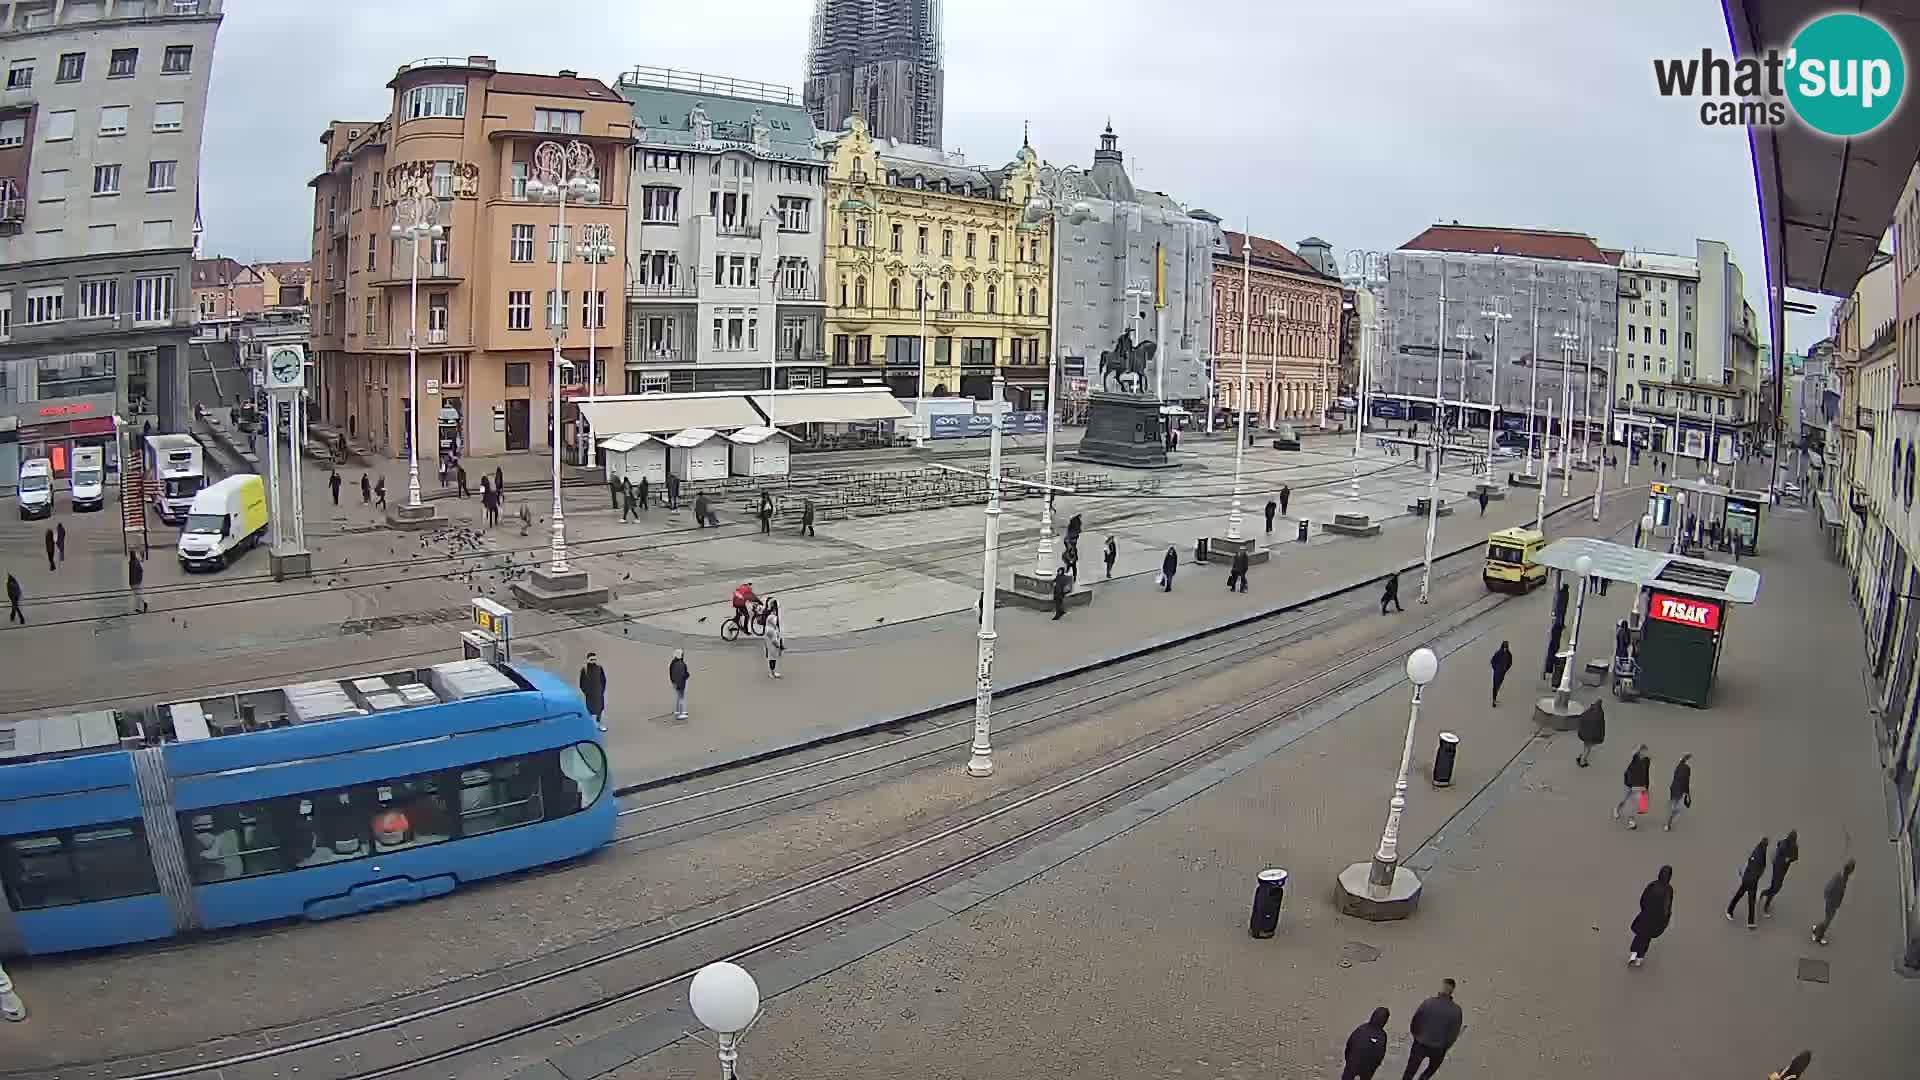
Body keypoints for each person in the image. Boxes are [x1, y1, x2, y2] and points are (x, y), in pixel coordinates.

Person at [1400, 978, 1463, 1080]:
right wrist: (1445, 1046)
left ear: (1441, 988)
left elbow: (1415, 1021)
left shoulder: (1428, 1003)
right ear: (1452, 991)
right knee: (1430, 1070)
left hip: (1420, 1043)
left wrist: (1416, 1036)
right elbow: (1453, 1033)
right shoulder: (1456, 1011)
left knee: (1410, 1070)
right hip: (1438, 1048)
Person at [1627, 864, 1675, 966]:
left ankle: (1633, 955)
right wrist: (1666, 919)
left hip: (1646, 915)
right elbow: (1668, 907)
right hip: (1657, 920)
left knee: (1639, 935)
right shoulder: (1669, 890)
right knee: (1646, 938)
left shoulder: (1652, 885)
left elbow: (1643, 899)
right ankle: (1639, 959)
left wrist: (1644, 910)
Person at [1811, 859, 1856, 944]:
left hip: (1832, 901)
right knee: (1828, 920)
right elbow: (1832, 889)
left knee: (1827, 919)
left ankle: (1816, 929)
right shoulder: (1841, 879)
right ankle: (1818, 937)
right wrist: (1834, 903)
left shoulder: (1841, 876)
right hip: (1832, 902)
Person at [1727, 838, 1769, 928]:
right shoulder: (1759, 855)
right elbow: (1756, 869)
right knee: (1750, 900)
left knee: (1740, 896)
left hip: (1747, 879)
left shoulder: (1758, 850)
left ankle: (1730, 911)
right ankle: (1750, 922)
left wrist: (1743, 872)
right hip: (1751, 881)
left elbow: (1750, 863)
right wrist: (1757, 877)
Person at [1341, 1006, 1391, 1080]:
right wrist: (1374, 1067)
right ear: (1385, 1021)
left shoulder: (1361, 1029)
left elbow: (1349, 1046)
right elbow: (1380, 1056)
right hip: (1368, 1069)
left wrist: (1348, 1061)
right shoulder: (1382, 1036)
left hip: (1352, 1063)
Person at [1760, 830, 1801, 916]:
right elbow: (1792, 858)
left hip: (1779, 869)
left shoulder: (1787, 844)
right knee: (1775, 889)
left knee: (1774, 887)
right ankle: (1766, 905)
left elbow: (1794, 857)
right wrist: (1788, 859)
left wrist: (1789, 859)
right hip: (1779, 870)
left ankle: (1764, 894)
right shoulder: (1787, 847)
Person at [1614, 744, 1651, 825]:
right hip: (1629, 783)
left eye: (1645, 752)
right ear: (1639, 752)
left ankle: (1631, 820)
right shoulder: (1635, 758)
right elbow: (1633, 752)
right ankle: (1616, 809)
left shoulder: (1647, 761)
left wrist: (1647, 787)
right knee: (1623, 799)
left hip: (1638, 785)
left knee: (1634, 803)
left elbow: (1646, 774)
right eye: (1643, 752)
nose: (1644, 753)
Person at [578, 652, 608, 732]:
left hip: (598, 693)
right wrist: (586, 692)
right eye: (591, 659)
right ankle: (590, 725)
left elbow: (603, 680)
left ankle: (599, 724)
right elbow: (581, 683)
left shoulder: (599, 668)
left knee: (600, 709)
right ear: (588, 660)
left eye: (595, 659)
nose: (593, 661)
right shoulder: (584, 669)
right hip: (590, 695)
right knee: (590, 710)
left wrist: (602, 690)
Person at [1575, 697, 1606, 768]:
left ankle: (1581, 757)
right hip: (1591, 736)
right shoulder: (1599, 714)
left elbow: (1582, 719)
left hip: (1585, 734)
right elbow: (1600, 726)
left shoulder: (1589, 711)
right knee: (1588, 749)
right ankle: (1582, 761)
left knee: (1585, 746)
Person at [1665, 753, 1692, 830]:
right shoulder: (1687, 768)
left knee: (1673, 805)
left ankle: (1668, 824)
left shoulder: (1678, 766)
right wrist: (1687, 793)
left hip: (1673, 788)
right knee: (1677, 808)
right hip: (1679, 789)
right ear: (1687, 761)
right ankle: (1668, 823)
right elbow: (1686, 781)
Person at [763, 599, 785, 677]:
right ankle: (772, 673)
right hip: (772, 647)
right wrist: (779, 646)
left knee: (772, 658)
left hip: (771, 647)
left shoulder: (769, 627)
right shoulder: (771, 630)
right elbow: (774, 641)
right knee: (772, 659)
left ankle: (772, 672)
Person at [1489, 640, 1513, 706]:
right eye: (1504, 647)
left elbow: (1510, 663)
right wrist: (1495, 668)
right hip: (1496, 672)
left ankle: (1495, 697)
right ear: (1502, 646)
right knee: (1495, 685)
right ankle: (1494, 701)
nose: (1505, 648)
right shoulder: (1498, 653)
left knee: (1499, 685)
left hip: (1503, 673)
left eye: (1506, 647)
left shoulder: (1509, 654)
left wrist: (1506, 669)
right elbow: (1492, 661)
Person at [669, 649, 690, 720]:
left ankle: (677, 711)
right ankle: (682, 713)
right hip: (680, 683)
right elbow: (683, 674)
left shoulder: (673, 663)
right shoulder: (681, 664)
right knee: (681, 698)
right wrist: (687, 675)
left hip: (675, 682)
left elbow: (671, 673)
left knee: (678, 697)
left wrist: (673, 682)